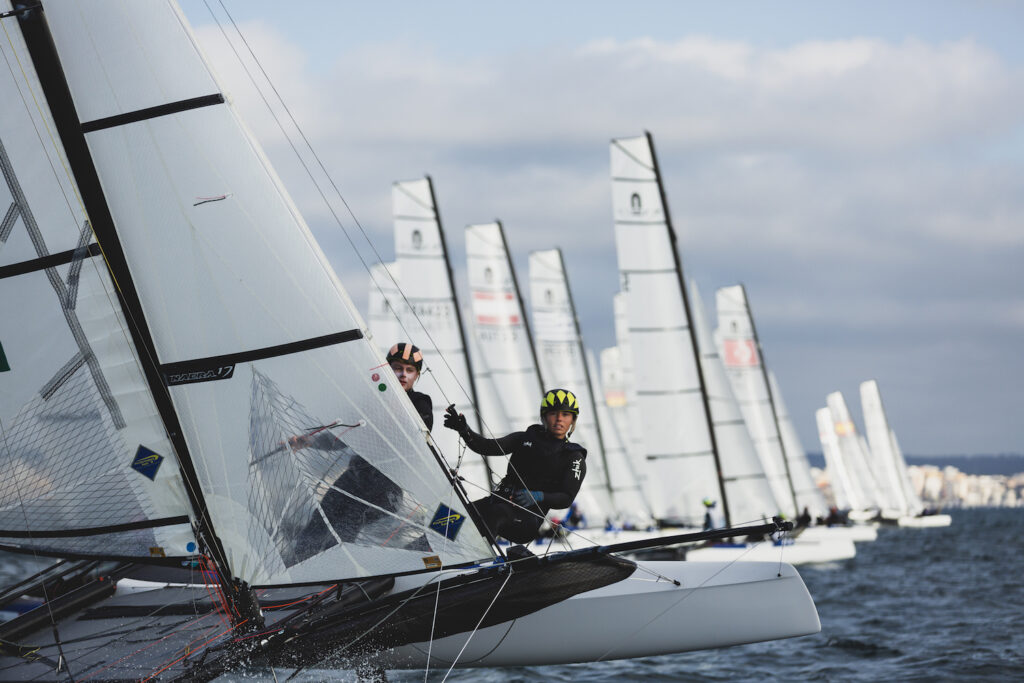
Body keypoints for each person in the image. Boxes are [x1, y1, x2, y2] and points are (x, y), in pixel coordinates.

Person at [443, 388, 587, 545]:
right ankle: (424, 553)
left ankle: (476, 560)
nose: (559, 419)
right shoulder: (524, 438)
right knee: (451, 515)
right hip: (498, 502)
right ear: (544, 416)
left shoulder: (574, 457)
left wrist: (538, 496)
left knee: (495, 514)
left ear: (573, 419)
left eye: (565, 414)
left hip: (527, 521)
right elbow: (486, 447)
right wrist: (464, 430)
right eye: (553, 413)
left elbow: (566, 498)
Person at [386, 342, 433, 431]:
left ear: (416, 375)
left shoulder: (420, 403)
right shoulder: (371, 395)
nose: (403, 374)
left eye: (409, 370)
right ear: (388, 369)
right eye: (398, 368)